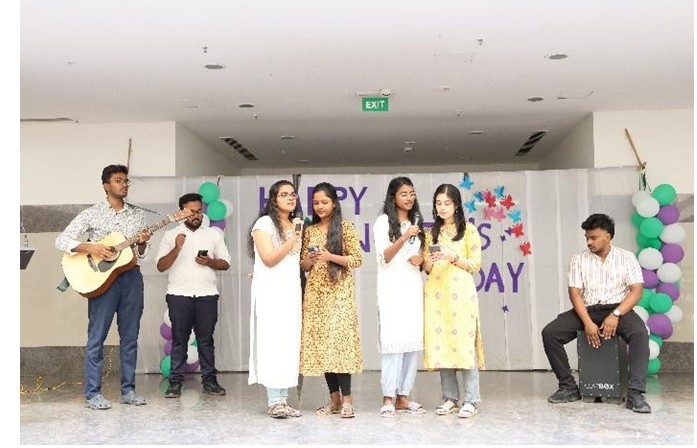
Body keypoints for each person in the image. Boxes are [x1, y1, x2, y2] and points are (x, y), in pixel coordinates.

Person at [55, 164, 152, 410]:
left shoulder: (138, 215)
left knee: (130, 336)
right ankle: (92, 394)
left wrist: (142, 243)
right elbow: (61, 240)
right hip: (101, 280)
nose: (124, 184)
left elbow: (142, 253)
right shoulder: (92, 213)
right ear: (105, 186)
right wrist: (92, 247)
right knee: (97, 336)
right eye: (119, 180)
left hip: (131, 277)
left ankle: (128, 391)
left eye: (126, 181)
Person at [541, 213, 651, 413]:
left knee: (640, 333)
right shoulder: (578, 259)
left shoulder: (626, 257)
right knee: (550, 333)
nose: (589, 242)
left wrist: (616, 314)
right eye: (587, 238)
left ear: (608, 237)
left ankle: (635, 392)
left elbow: (636, 291)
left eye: (593, 237)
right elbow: (575, 293)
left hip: (619, 308)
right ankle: (568, 387)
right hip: (588, 309)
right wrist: (587, 322)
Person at [156, 193, 231, 398]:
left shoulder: (213, 234)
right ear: (181, 212)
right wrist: (177, 248)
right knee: (179, 341)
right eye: (191, 212)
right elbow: (161, 266)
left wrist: (210, 262)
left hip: (207, 295)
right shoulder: (171, 235)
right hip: (179, 295)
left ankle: (210, 382)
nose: (196, 215)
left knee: (206, 341)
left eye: (199, 211)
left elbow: (226, 263)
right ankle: (175, 384)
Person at [300, 182, 363, 418]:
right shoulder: (310, 230)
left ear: (334, 203)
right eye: (316, 203)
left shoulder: (345, 228)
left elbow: (357, 259)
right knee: (323, 346)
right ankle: (334, 399)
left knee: (339, 345)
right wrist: (310, 260)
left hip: (339, 293)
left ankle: (347, 400)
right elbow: (303, 265)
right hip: (316, 294)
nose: (320, 207)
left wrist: (330, 256)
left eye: (324, 202)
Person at [422, 183, 485, 418]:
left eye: (447, 203)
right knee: (442, 343)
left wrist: (453, 257)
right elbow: (428, 268)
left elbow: (475, 265)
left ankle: (471, 400)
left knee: (464, 345)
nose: (442, 207)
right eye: (438, 203)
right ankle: (450, 397)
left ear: (456, 205)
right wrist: (427, 260)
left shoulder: (469, 230)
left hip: (461, 296)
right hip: (437, 295)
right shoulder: (431, 233)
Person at [247, 180, 304, 419]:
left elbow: (293, 262)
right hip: (271, 293)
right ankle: (274, 401)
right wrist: (293, 239)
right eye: (284, 194)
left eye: (293, 194)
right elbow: (269, 259)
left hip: (291, 291)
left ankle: (283, 400)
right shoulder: (264, 223)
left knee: (288, 343)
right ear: (273, 199)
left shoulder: (295, 224)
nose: (291, 198)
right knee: (272, 342)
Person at [373, 176, 426, 418]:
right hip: (391, 289)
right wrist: (404, 236)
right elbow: (384, 256)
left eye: (412, 194)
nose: (409, 198)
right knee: (393, 342)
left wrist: (421, 258)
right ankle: (388, 397)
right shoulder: (383, 221)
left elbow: (421, 253)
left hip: (412, 286)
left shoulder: (417, 221)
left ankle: (404, 396)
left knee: (412, 343)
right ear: (393, 197)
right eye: (404, 194)